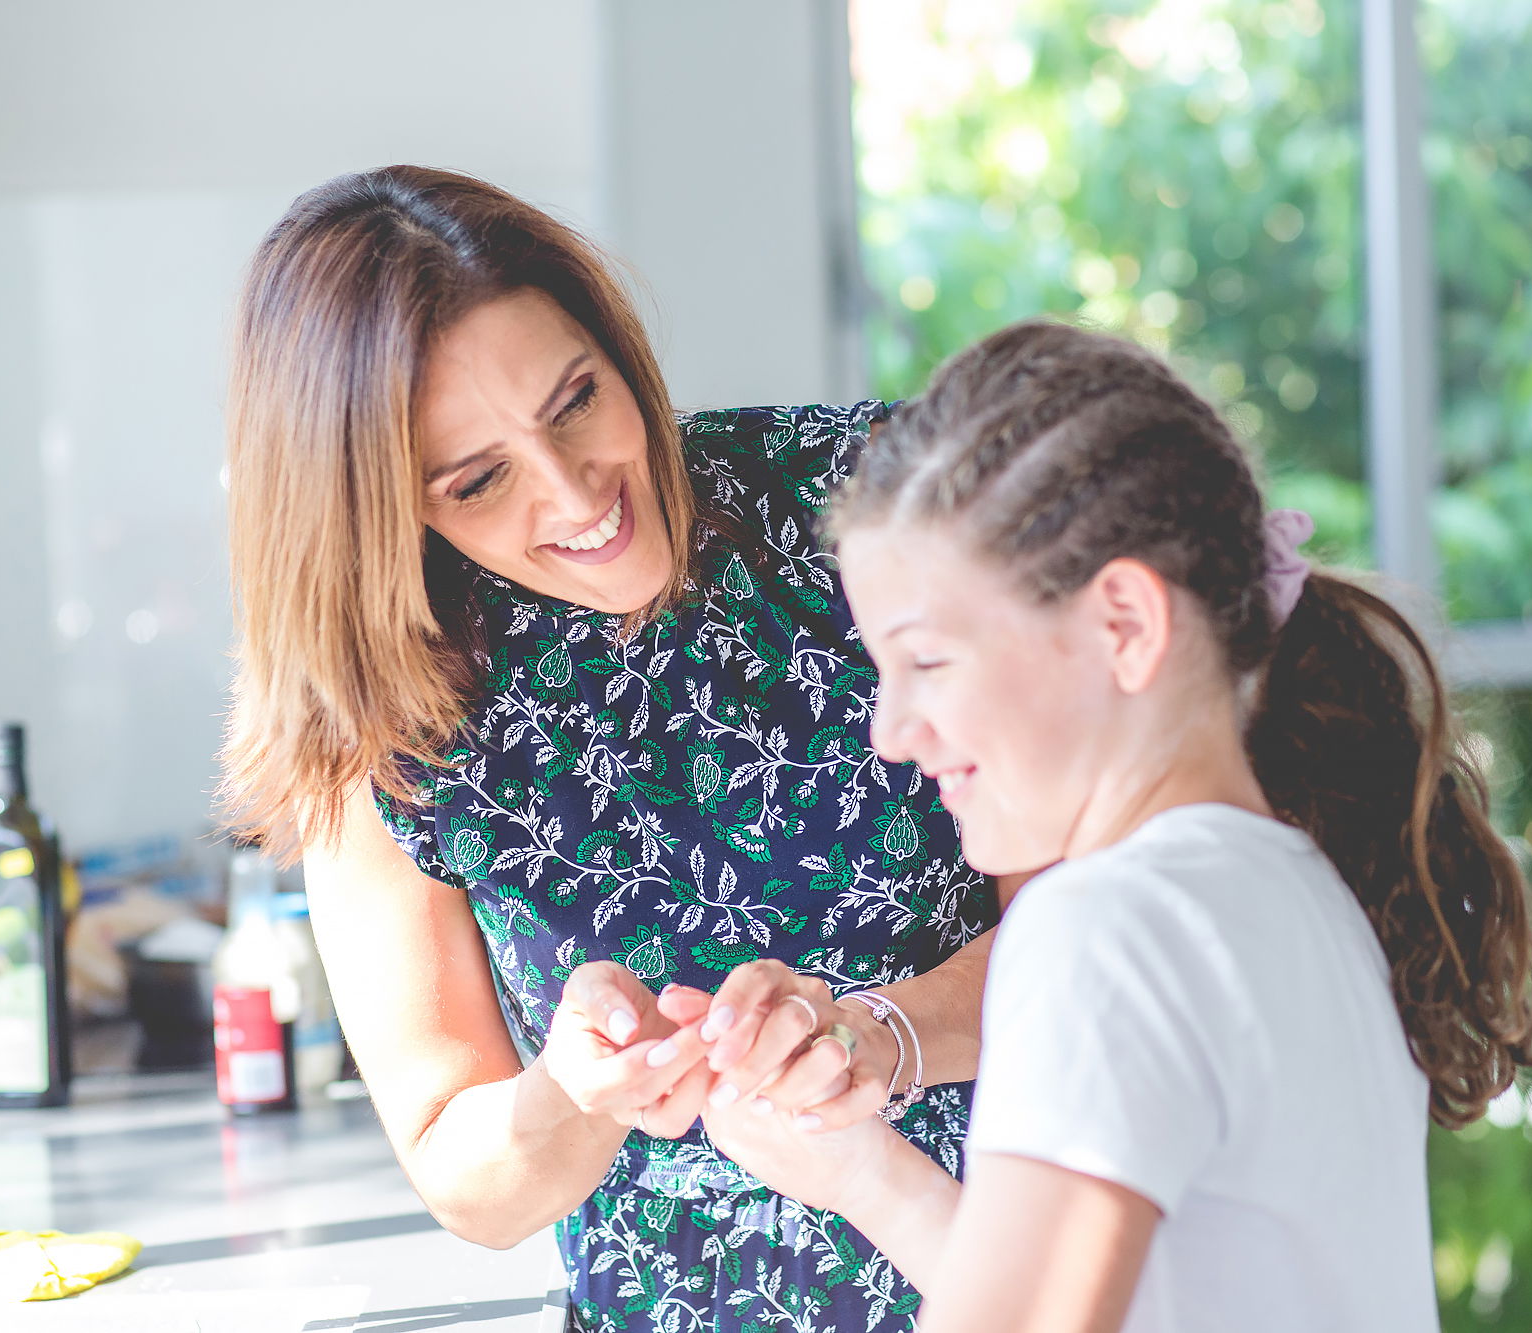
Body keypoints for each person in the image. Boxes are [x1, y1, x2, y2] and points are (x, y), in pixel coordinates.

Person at [217, 165, 1005, 1331]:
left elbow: (1111, 935)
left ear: (610, 342)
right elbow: (465, 1178)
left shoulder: (876, 504)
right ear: (385, 508)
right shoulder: (378, 713)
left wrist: (879, 1033)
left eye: (576, 401)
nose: (573, 493)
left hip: (1018, 1276)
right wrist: (572, 1095)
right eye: (477, 479)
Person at [702, 319, 1532, 1331]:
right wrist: (863, 1176)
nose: (890, 732)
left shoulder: (1104, 926)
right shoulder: (1295, 893)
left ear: (1125, 627)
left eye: (925, 661)